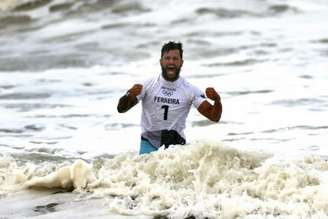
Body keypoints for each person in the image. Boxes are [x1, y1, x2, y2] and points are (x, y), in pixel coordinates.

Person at [117, 41, 222, 154]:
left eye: (175, 59)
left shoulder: (190, 90)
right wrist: (129, 95)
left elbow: (214, 117)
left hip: (176, 145)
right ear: (161, 61)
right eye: (167, 58)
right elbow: (121, 109)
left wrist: (217, 100)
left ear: (181, 62)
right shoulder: (147, 85)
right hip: (150, 142)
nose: (171, 62)